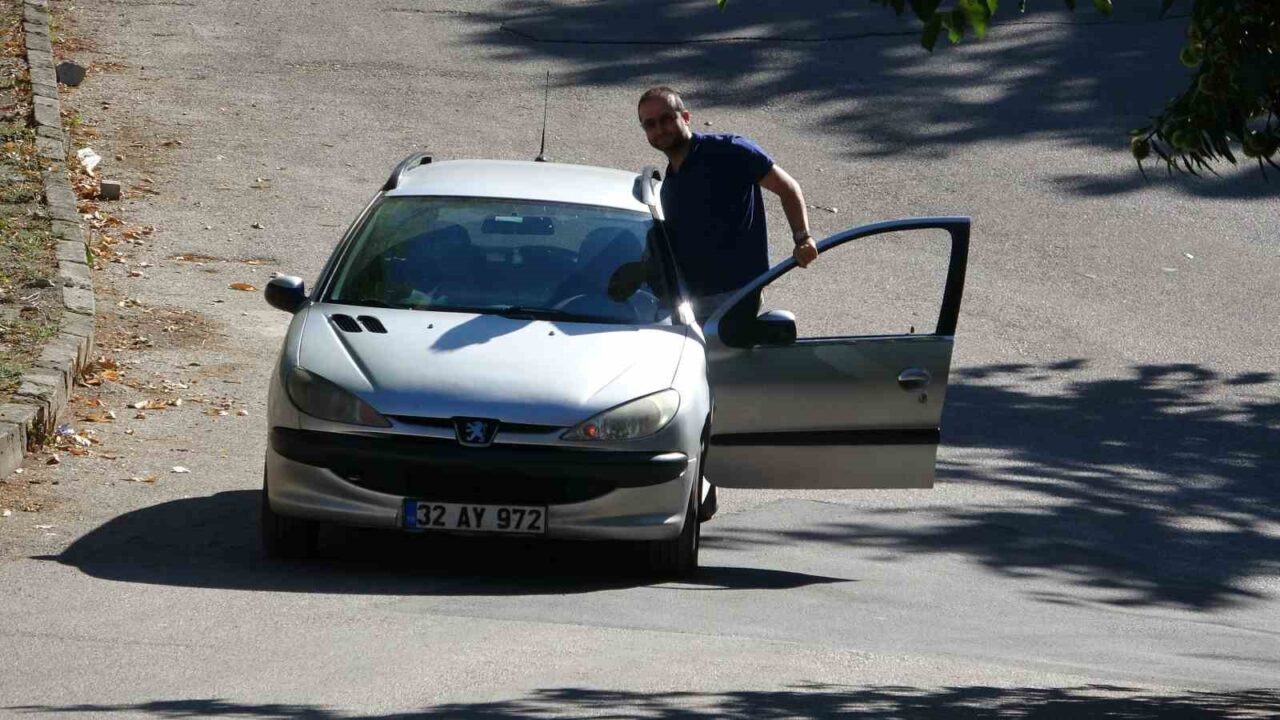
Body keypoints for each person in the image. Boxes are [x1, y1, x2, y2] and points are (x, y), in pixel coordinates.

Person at [637, 86, 818, 323]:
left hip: (736, 297)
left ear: (686, 117)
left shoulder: (730, 150)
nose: (660, 129)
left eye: (666, 119)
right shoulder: (669, 183)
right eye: (650, 124)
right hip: (688, 303)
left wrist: (803, 238)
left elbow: (788, 188)